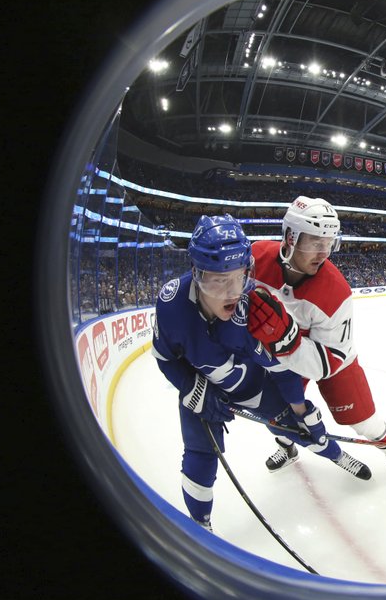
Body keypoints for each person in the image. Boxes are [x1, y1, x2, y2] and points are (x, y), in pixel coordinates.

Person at [151, 215, 372, 532]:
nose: (231, 292)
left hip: (256, 387)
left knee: (305, 431)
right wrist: (190, 387)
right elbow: (165, 357)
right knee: (200, 456)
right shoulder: (171, 304)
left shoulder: (259, 304)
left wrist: (301, 408)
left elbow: (281, 369)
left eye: (239, 277)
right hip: (204, 389)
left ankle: (337, 456)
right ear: (196, 274)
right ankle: (200, 528)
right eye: (217, 280)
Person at [245, 197, 386, 486]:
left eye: (328, 243)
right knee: (276, 415)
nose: (323, 253)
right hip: (280, 355)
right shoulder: (256, 258)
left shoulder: (335, 292)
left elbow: (329, 362)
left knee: (364, 421)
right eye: (315, 241)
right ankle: (287, 447)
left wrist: (285, 341)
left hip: (330, 358)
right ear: (289, 237)